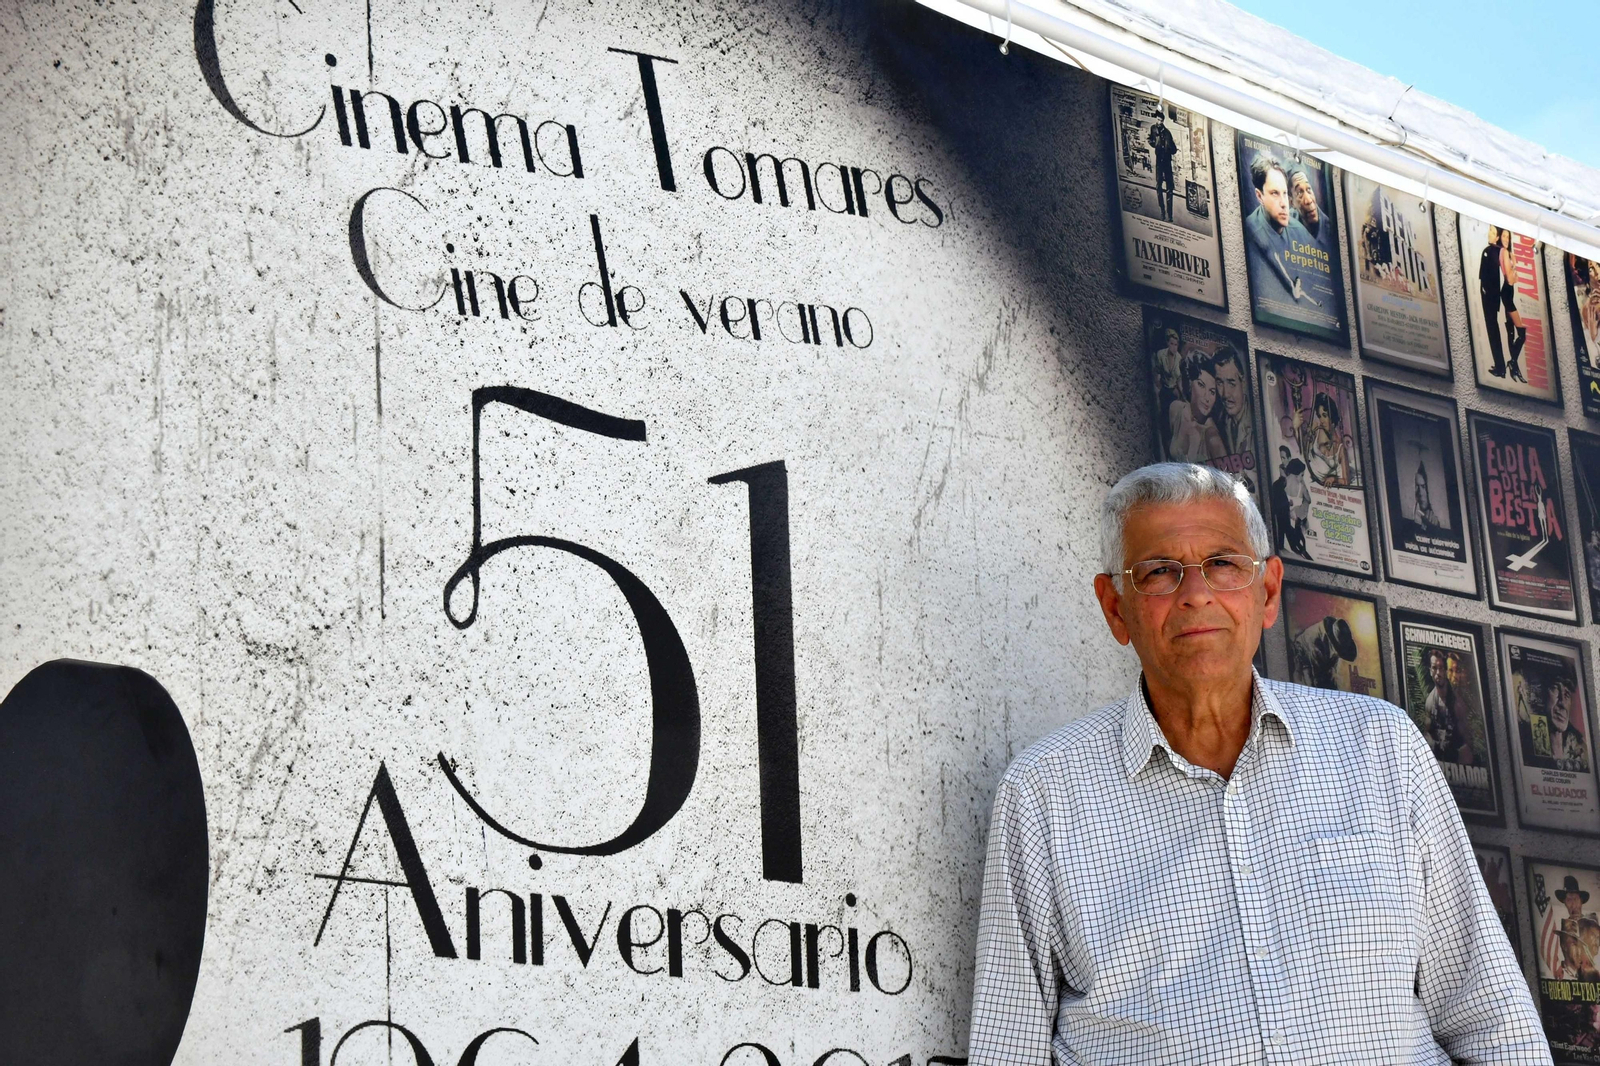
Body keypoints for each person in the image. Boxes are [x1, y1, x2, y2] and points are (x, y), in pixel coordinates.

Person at [969, 462, 1547, 1064]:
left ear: (1267, 592)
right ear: (1116, 609)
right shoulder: (1044, 795)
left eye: (1221, 564)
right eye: (1160, 572)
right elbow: (1008, 1048)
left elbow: (1491, 1017)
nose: (1196, 594)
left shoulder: (1381, 749)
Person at [1243, 155, 1319, 305]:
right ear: (1259, 196)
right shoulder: (1250, 234)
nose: (1284, 203)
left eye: (1284, 193)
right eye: (1275, 193)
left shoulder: (1298, 229)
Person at [1167, 353, 1226, 464]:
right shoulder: (1176, 409)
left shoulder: (1211, 435)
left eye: (1212, 392)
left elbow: (1229, 479)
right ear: (1190, 384)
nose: (1206, 397)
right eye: (1201, 385)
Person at [1211, 347, 1256, 490]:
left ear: (1243, 383)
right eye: (1219, 383)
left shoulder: (1257, 425)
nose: (1225, 394)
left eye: (1231, 383)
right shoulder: (1219, 421)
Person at [1423, 648, 1476, 765]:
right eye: (1434, 668)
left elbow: (1468, 743)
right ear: (1430, 671)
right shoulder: (1430, 701)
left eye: (1441, 668)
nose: (1438, 673)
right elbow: (1426, 733)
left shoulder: (1457, 702)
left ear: (1445, 671)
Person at [1289, 614, 1357, 690]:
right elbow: (1315, 678)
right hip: (1302, 655)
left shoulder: (1337, 638)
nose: (1338, 653)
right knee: (1310, 684)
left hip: (1319, 658)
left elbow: (1334, 673)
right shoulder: (1315, 644)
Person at [1269, 449, 1310, 558]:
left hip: (1289, 517)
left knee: (1288, 534)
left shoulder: (1298, 486)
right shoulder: (1279, 484)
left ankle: (1297, 549)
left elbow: (1307, 500)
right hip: (1283, 515)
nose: (1282, 461)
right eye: (1281, 458)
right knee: (1285, 531)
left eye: (1284, 458)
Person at [1287, 164, 1332, 246]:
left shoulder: (1330, 230)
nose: (1308, 200)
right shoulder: (1286, 223)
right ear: (1291, 202)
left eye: (1309, 189)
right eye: (1300, 193)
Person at [1148, 112, 1178, 223]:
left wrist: (1169, 148)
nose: (1158, 121)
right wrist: (1155, 145)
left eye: (1160, 120)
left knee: (1169, 188)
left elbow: (1174, 149)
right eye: (1157, 119)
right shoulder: (1153, 129)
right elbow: (1150, 139)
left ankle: (1170, 215)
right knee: (1158, 186)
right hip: (1159, 162)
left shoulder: (1167, 133)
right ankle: (1162, 212)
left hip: (1167, 162)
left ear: (1163, 120)